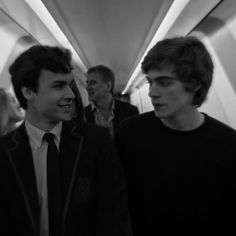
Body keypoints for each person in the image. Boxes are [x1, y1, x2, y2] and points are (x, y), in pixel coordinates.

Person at [0, 45, 131, 236]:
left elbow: (114, 217)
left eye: (70, 85)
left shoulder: (96, 142)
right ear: (29, 92)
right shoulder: (4, 152)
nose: (71, 95)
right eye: (58, 86)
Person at [116, 36, 236, 235]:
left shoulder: (228, 145)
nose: (152, 93)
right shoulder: (130, 133)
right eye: (150, 82)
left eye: (164, 83)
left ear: (195, 84)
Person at [85, 65, 139, 137]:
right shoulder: (82, 115)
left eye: (93, 83)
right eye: (87, 82)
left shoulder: (131, 112)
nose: (87, 87)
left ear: (108, 86)